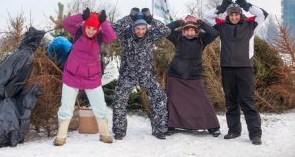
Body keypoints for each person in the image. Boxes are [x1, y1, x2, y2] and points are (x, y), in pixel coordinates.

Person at [203, 0, 268, 145]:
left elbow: (262, 14)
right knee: (231, 101)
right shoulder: (220, 25)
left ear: (240, 14)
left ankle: (255, 133)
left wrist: (246, 5)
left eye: (236, 14)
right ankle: (234, 130)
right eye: (231, 14)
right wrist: (221, 7)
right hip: (227, 67)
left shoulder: (250, 24)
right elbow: (206, 17)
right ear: (228, 15)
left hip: (245, 67)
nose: (233, 17)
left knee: (247, 101)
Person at [53, 8, 117, 146]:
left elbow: (112, 36)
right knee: (66, 107)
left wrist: (103, 21)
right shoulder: (77, 31)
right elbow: (66, 22)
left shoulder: (99, 36)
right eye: (89, 27)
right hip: (72, 75)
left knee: (100, 105)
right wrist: (82, 16)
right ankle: (61, 135)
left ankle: (104, 133)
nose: (91, 31)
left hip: (92, 77)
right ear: (85, 25)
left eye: (94, 29)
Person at [112, 8, 171, 140]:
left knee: (160, 98)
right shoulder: (126, 34)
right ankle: (119, 130)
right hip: (128, 74)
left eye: (143, 28)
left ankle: (159, 129)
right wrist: (129, 18)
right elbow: (113, 29)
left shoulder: (150, 34)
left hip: (147, 74)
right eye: (138, 29)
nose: (141, 32)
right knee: (119, 101)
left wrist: (150, 20)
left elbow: (166, 31)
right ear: (133, 28)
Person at [165, 15, 221, 137]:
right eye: (187, 29)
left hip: (194, 75)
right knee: (173, 100)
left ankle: (213, 126)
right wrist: (177, 23)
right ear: (183, 30)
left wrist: (202, 24)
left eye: (192, 30)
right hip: (175, 75)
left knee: (202, 101)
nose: (190, 32)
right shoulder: (178, 38)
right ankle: (170, 125)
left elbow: (214, 33)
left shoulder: (202, 39)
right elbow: (164, 30)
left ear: (196, 31)